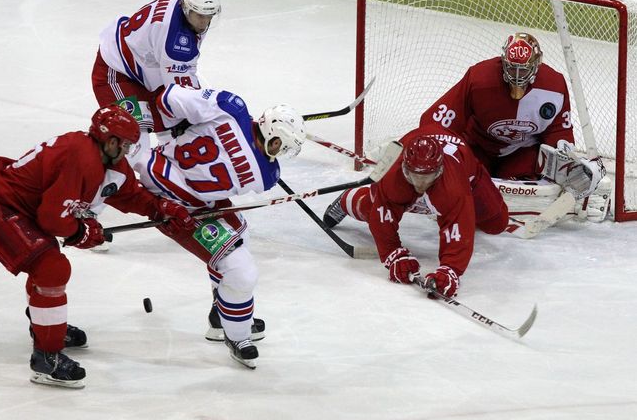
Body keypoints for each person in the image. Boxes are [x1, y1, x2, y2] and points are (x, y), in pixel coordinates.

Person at [0, 106, 196, 389]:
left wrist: (161, 210)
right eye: (126, 144)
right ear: (111, 142)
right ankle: (46, 359)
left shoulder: (108, 162)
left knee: (47, 265)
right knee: (51, 267)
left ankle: (47, 327)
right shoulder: (80, 156)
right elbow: (52, 220)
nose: (129, 150)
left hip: (15, 209)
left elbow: (128, 194)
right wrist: (81, 232)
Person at [129, 84, 306, 368]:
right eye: (280, 145)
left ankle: (220, 314)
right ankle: (236, 336)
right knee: (241, 272)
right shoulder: (267, 175)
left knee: (240, 235)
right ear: (273, 133)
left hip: (166, 177)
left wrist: (178, 125)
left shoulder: (230, 107)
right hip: (170, 203)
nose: (279, 152)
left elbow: (167, 98)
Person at [418, 32, 608, 222]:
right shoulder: (479, 79)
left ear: (536, 65)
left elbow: (558, 129)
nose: (517, 76)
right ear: (503, 62)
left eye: (523, 70)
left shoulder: (554, 85)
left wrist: (566, 158)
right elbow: (442, 117)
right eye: (512, 68)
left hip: (521, 151)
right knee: (459, 169)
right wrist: (429, 148)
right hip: (479, 147)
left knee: (537, 175)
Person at [322, 124, 509, 298]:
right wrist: (393, 254)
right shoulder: (394, 173)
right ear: (405, 167)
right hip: (417, 167)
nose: (421, 184)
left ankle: (440, 206)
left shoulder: (454, 185)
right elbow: (382, 218)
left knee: (497, 222)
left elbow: (459, 226)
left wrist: (450, 269)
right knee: (372, 206)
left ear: (439, 170)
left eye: (427, 177)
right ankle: (347, 200)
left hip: (468, 172)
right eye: (415, 176)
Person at [92, 0, 221, 137]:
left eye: (209, 15)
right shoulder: (175, 42)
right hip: (116, 73)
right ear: (186, 7)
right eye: (200, 16)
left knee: (171, 124)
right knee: (132, 137)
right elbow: (180, 93)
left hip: (146, 68)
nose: (205, 22)